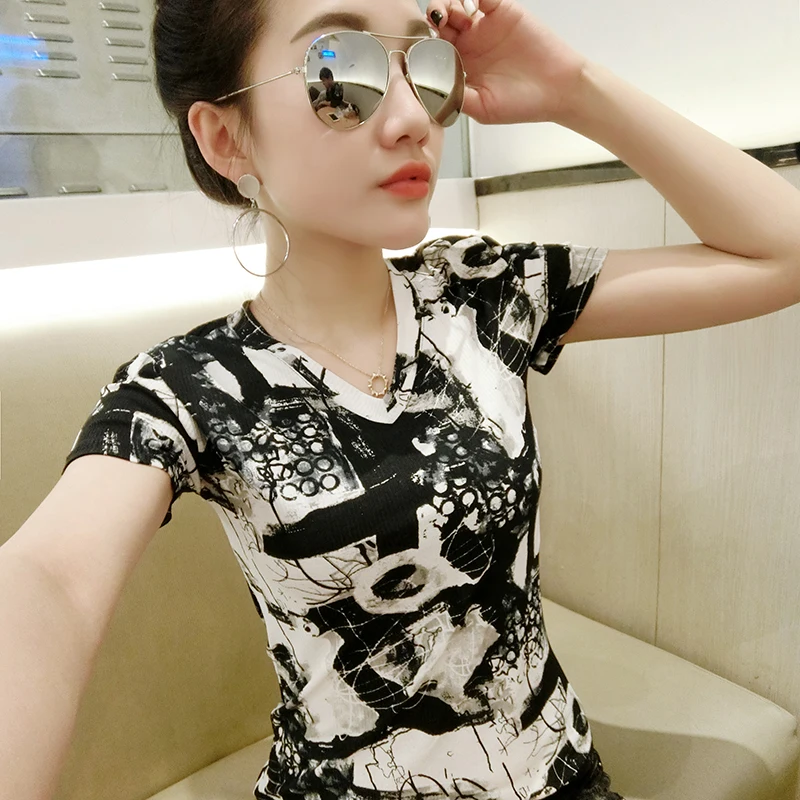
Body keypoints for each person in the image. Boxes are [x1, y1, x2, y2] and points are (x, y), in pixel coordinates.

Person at [2, 1, 799, 799]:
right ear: (226, 137)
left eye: (425, 69)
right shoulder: (188, 385)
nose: (414, 118)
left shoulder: (481, 292)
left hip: (551, 775)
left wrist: (573, 87)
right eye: (338, 72)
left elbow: (782, 254)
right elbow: (50, 581)